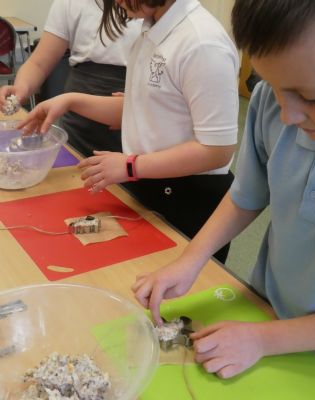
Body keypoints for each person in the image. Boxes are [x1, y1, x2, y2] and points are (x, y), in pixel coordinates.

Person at [132, 0, 315, 382]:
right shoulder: (273, 107)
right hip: (262, 312)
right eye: (269, 84)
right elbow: (246, 195)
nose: (288, 115)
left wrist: (263, 340)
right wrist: (191, 259)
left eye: (313, 97)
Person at [19, 0, 239, 263]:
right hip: (150, 182)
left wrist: (130, 166)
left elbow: (217, 151)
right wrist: (70, 101)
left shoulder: (203, 44)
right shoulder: (152, 29)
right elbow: (140, 109)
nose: (117, 3)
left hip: (188, 196)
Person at [0, 0, 142, 157]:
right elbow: (38, 63)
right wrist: (21, 88)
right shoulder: (71, 3)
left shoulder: (150, 8)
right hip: (79, 122)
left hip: (137, 118)